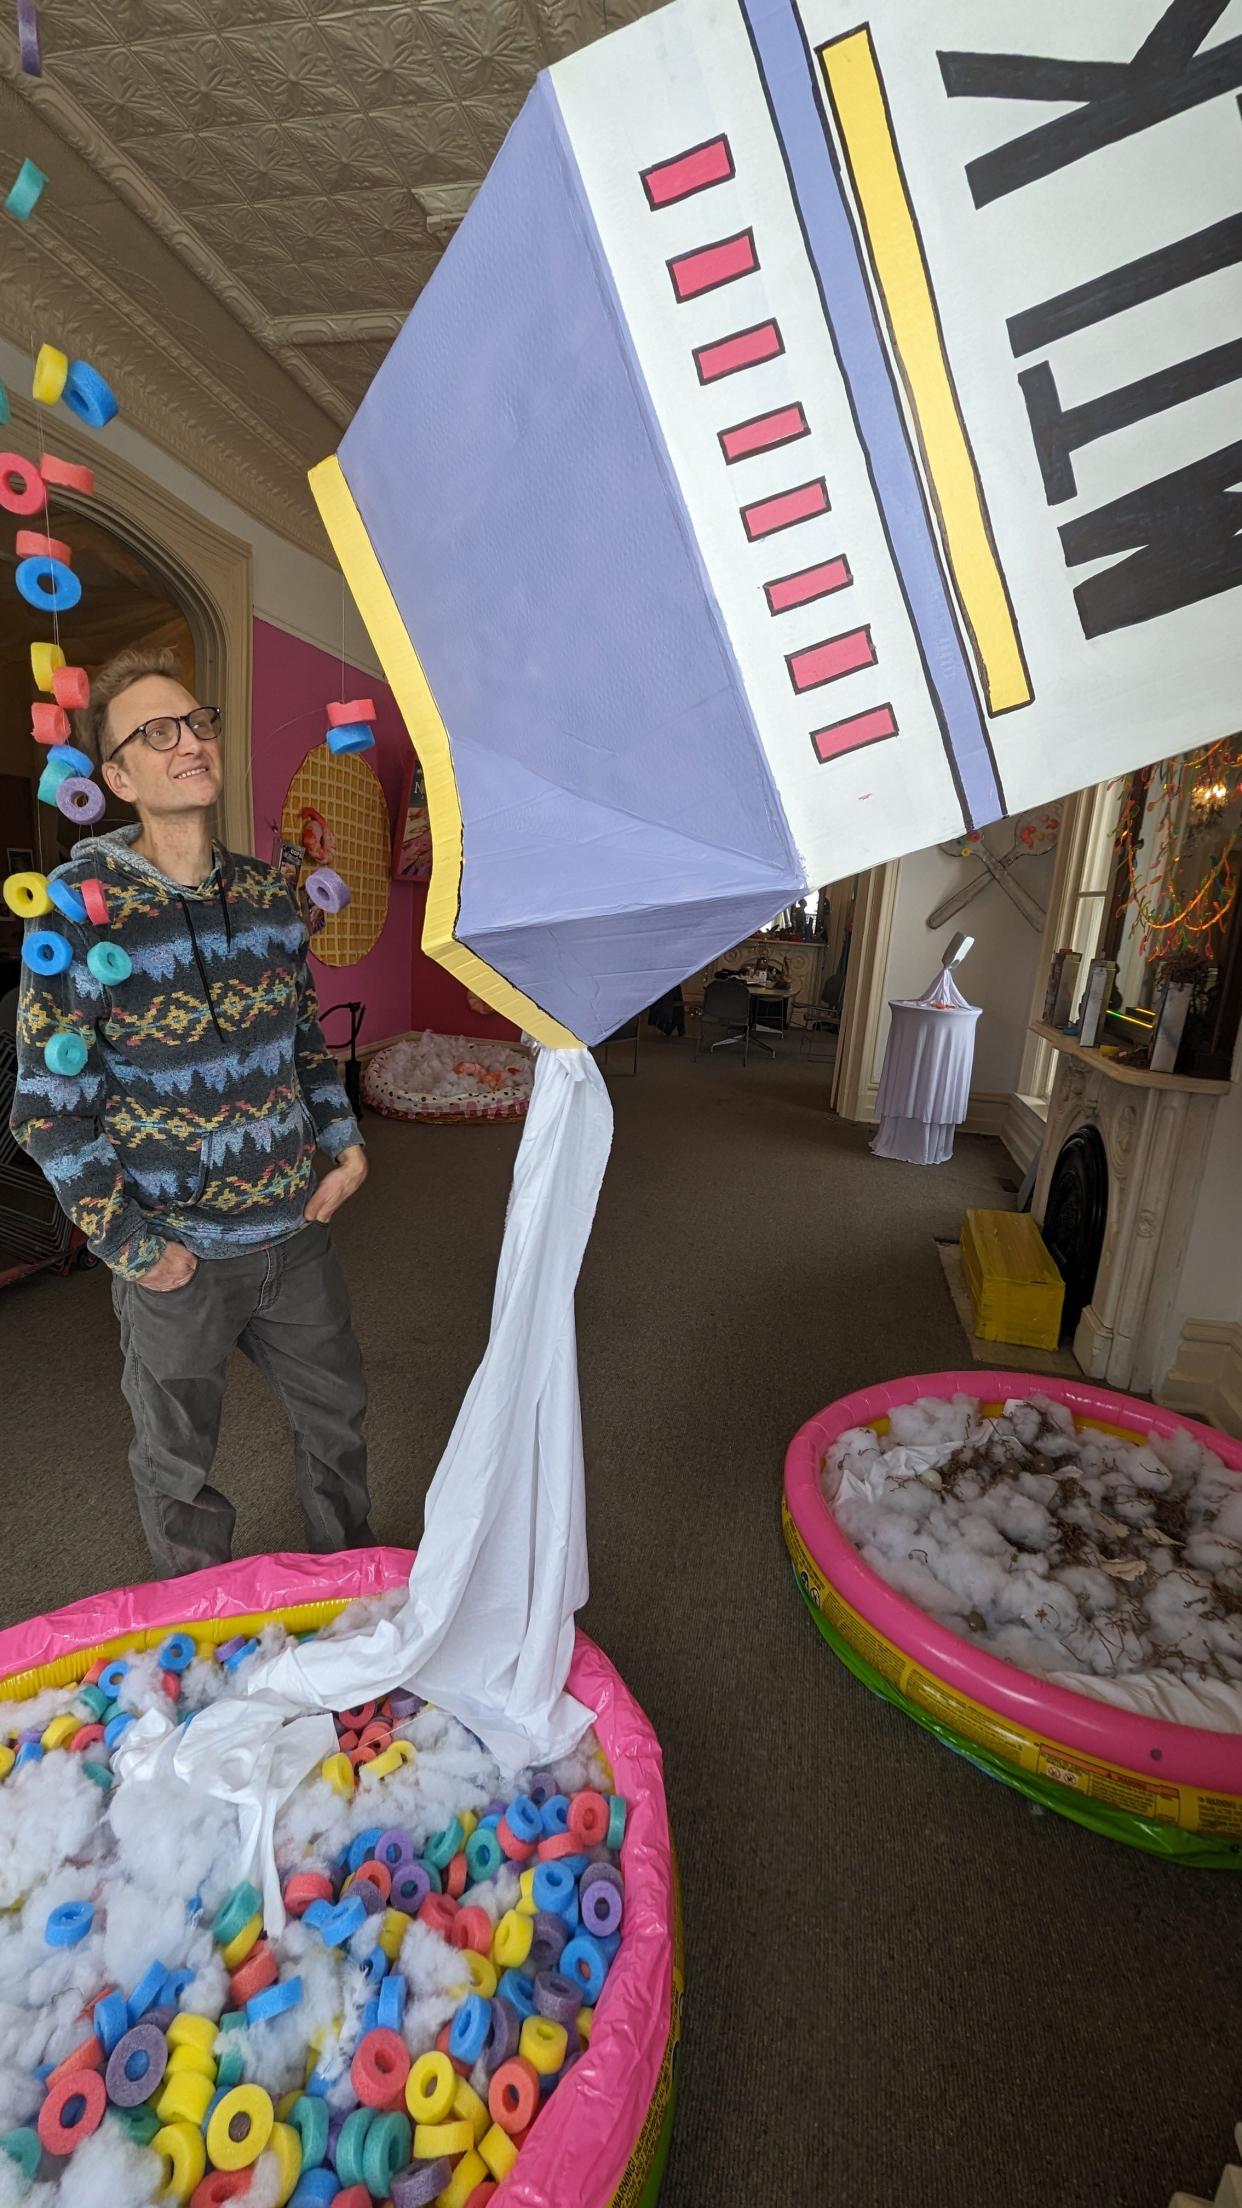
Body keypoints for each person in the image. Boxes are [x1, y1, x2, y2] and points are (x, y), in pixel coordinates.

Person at [10, 646, 373, 1576]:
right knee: (178, 1467)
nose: (190, 743)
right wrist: (132, 1245)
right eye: (156, 732)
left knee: (338, 1425)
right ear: (118, 778)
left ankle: (357, 1593)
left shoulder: (266, 898)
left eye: (199, 722)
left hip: (294, 1231)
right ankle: (199, 1632)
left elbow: (302, 1040)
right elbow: (47, 1111)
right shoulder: (77, 915)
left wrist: (344, 1146)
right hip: (175, 1254)